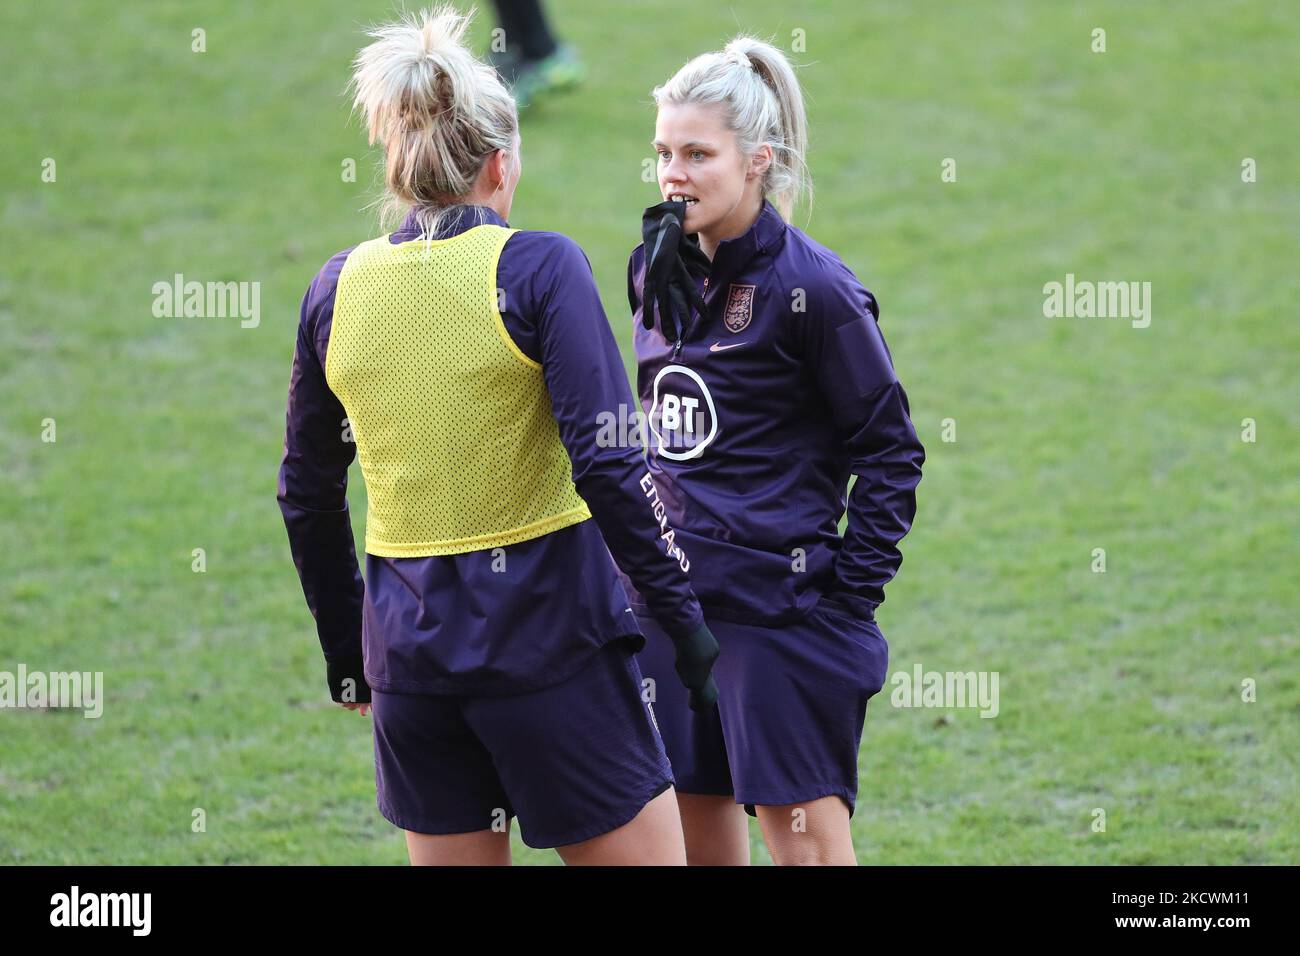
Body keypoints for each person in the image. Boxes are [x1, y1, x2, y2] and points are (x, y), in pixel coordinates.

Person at [277, 5, 718, 866]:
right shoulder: (540, 266)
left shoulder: (336, 290)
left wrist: (349, 653)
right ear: (500, 166)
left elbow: (304, 492)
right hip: (553, 654)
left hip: (411, 671)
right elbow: (607, 461)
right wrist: (681, 617)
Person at [623, 36, 926, 865]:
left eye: (696, 154)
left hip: (779, 623)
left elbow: (892, 452)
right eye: (662, 154)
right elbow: (664, 437)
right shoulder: (655, 268)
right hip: (672, 615)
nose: (673, 173)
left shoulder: (816, 292)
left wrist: (845, 606)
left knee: (810, 856)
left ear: (757, 160)